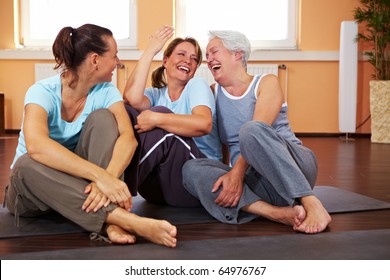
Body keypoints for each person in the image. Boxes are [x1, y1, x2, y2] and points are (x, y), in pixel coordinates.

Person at [4, 24, 177, 247]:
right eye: (114, 56)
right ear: (95, 59)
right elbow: (37, 145)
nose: (118, 62)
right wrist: (101, 177)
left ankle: (109, 219)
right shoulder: (42, 92)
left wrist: (109, 178)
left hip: (82, 191)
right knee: (25, 164)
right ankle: (126, 220)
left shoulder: (106, 91)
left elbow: (128, 138)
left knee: (105, 119)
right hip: (33, 196)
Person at [182, 30, 331, 234]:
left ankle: (310, 202)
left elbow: (258, 129)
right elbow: (222, 147)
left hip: (295, 167)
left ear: (238, 54)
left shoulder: (266, 83)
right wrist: (225, 175)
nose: (209, 59)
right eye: (207, 56)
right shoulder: (213, 93)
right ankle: (275, 213)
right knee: (191, 169)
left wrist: (236, 173)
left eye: (214, 52)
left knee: (251, 130)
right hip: (258, 183)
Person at [123, 26, 222, 207]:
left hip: (196, 181)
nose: (188, 61)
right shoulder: (156, 94)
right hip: (158, 187)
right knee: (126, 111)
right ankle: (105, 179)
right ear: (166, 61)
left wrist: (157, 119)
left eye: (194, 59)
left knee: (160, 114)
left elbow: (204, 124)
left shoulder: (196, 86)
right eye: (181, 54)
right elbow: (130, 98)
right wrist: (150, 51)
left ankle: (114, 192)